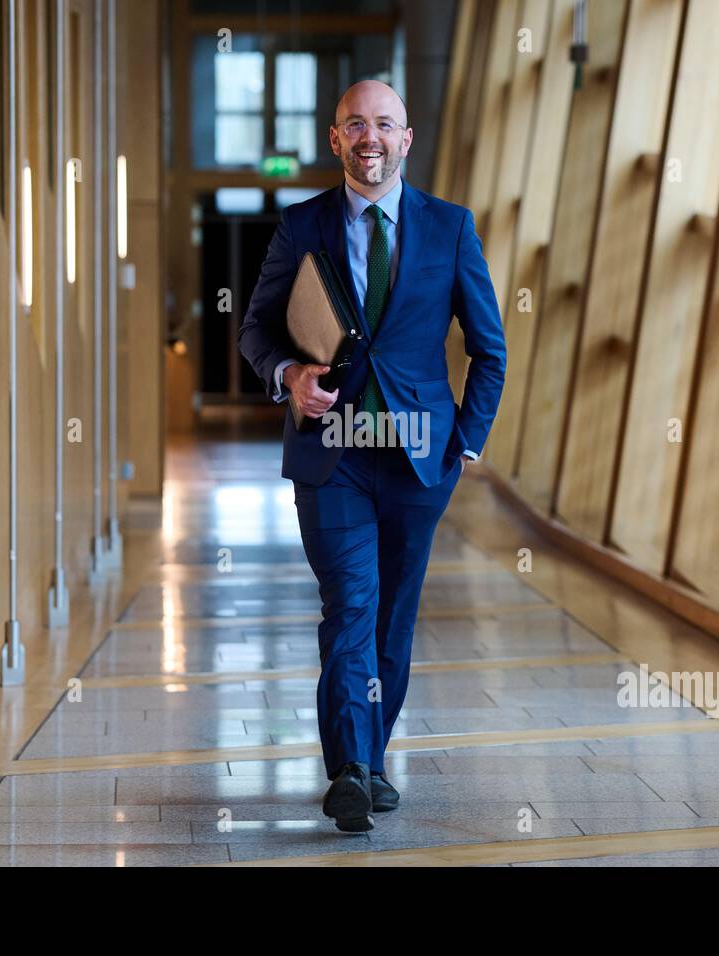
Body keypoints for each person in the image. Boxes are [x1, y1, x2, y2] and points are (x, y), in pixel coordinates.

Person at [238, 79, 506, 832]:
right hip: (334, 457)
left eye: (384, 124)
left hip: (420, 459)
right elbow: (256, 331)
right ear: (335, 139)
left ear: (406, 138)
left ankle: (374, 759)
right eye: (355, 124)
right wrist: (288, 375)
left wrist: (466, 442)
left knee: (393, 615)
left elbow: (489, 349)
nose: (370, 137)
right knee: (351, 603)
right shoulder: (300, 227)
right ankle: (350, 768)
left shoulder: (450, 228)